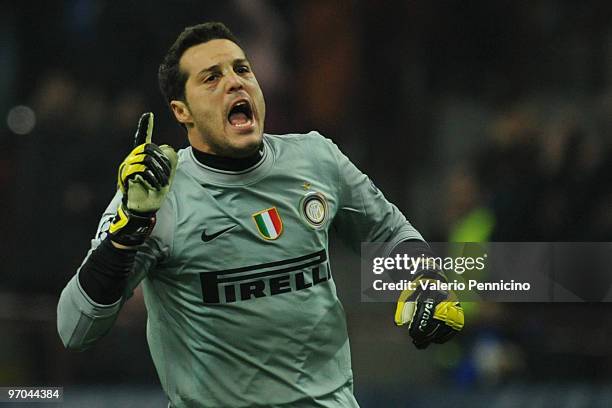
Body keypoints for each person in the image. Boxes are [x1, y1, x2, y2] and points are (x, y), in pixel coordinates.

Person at [57, 22, 464, 408]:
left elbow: (390, 233)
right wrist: (127, 233)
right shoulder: (155, 199)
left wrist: (425, 279)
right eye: (211, 78)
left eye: (241, 69)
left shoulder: (317, 159)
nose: (234, 81)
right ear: (182, 112)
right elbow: (74, 327)